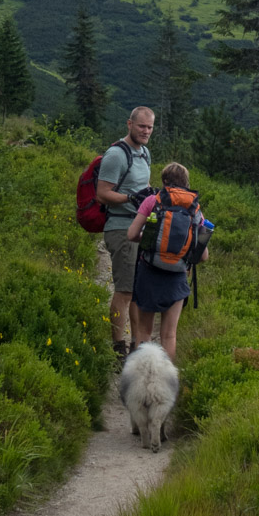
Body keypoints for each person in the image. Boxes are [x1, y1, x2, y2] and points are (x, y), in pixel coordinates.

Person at [126, 162, 208, 363]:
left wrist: (150, 239)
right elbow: (203, 255)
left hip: (149, 271)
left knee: (144, 331)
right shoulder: (194, 209)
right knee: (169, 335)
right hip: (177, 277)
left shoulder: (152, 201)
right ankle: (164, 382)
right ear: (186, 183)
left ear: (164, 182)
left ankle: (142, 377)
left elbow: (131, 234)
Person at [96, 106, 155, 363]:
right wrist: (131, 197)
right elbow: (102, 193)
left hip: (140, 229)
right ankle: (118, 348)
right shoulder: (116, 155)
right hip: (121, 229)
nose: (146, 131)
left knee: (136, 291)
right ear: (129, 124)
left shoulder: (145, 154)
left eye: (150, 127)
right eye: (141, 126)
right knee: (124, 291)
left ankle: (136, 345)